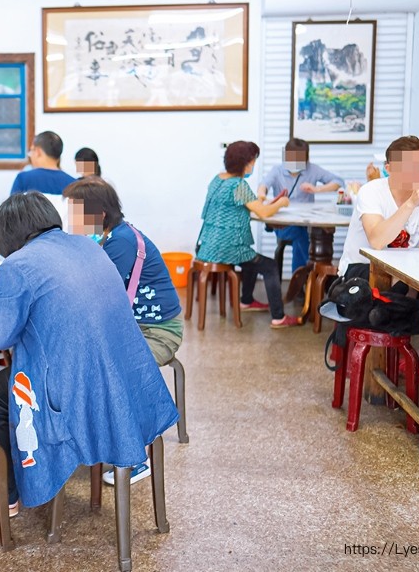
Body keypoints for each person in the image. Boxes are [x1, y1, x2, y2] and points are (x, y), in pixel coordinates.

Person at [0, 192, 178, 516]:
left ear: (7, 235)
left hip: (77, 393)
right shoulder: (88, 246)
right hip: (126, 379)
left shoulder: (18, 265)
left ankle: (7, 493)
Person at [64, 176, 183, 486]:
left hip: (157, 331)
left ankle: (135, 459)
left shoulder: (122, 242)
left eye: (76, 212)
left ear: (99, 213)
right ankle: (95, 438)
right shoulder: (107, 237)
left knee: (113, 370)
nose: (70, 219)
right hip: (130, 326)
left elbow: (96, 296)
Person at [338, 136, 419, 279]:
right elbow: (377, 241)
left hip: (402, 272)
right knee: (402, 279)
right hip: (360, 270)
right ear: (389, 169)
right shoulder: (371, 191)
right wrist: (411, 203)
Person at [196, 141, 298, 328]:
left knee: (250, 258)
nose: (253, 165)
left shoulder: (218, 179)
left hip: (208, 245)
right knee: (269, 266)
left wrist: (261, 200)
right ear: (246, 163)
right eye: (253, 161)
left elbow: (243, 205)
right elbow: (264, 213)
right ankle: (279, 317)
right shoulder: (239, 185)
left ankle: (246, 301)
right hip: (226, 249)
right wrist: (281, 203)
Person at [257, 137, 344, 273]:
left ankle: (313, 278)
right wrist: (262, 196)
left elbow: (338, 182)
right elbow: (263, 185)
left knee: (321, 233)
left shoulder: (312, 169)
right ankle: (305, 279)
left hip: (306, 223)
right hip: (284, 225)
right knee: (301, 235)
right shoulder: (277, 170)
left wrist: (317, 189)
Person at [10, 131, 76, 195]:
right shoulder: (74, 184)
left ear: (38, 152)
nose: (30, 155)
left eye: (32, 150)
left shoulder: (23, 179)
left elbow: (12, 205)